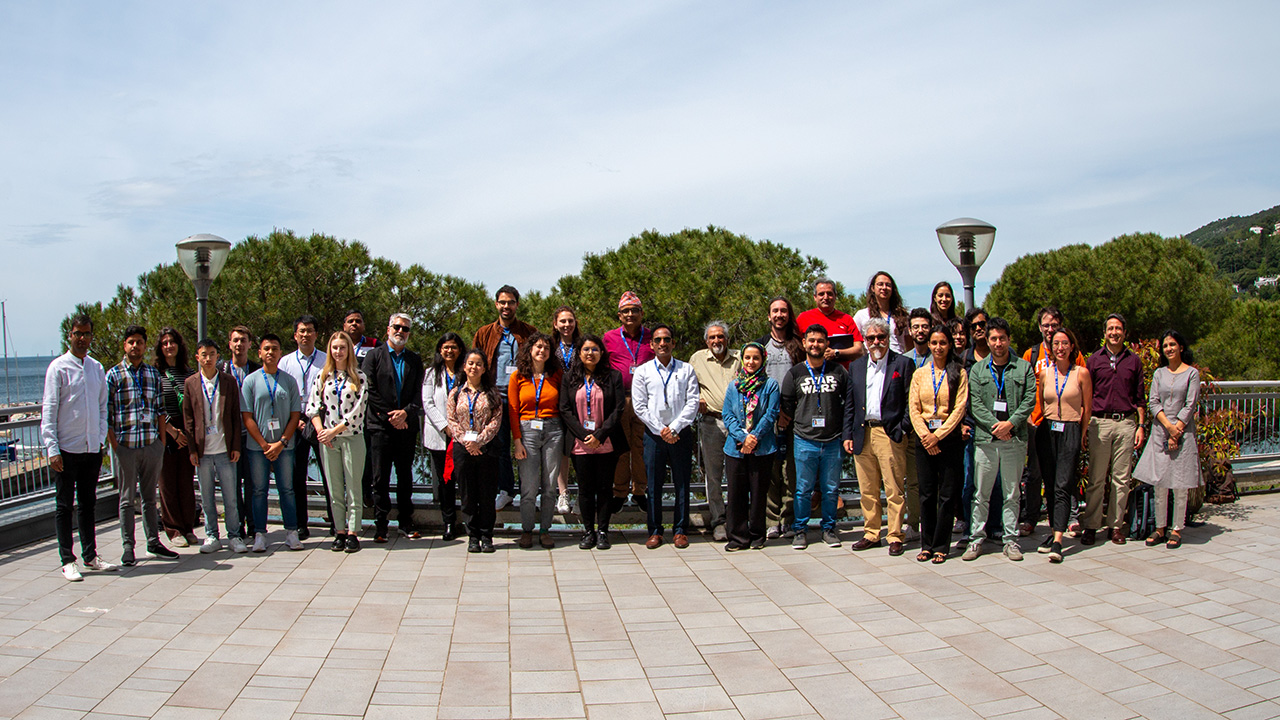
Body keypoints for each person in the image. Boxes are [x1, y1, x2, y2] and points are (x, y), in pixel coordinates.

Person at [43, 315, 117, 581]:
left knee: (88, 503)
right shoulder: (58, 368)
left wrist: (99, 441)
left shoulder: (96, 368)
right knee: (64, 505)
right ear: (70, 335)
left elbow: (101, 406)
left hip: (90, 449)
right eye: (78, 334)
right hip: (66, 449)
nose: (83, 339)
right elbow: (49, 410)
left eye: (87, 334)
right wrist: (52, 448)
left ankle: (90, 556)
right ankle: (67, 559)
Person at [962, 318, 1037, 562]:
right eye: (993, 338)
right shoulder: (977, 370)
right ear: (988, 340)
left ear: (1008, 340)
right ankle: (976, 539)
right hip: (986, 440)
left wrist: (1010, 424)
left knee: (1011, 493)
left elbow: (1029, 400)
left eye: (1002, 338)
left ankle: (1011, 540)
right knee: (980, 493)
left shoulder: (1024, 368)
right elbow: (975, 403)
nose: (997, 343)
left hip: (1014, 440)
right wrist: (997, 426)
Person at [105, 324, 176, 565]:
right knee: (126, 499)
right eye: (131, 342)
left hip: (150, 445)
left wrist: (161, 442)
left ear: (145, 346)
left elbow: (160, 410)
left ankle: (153, 542)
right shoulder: (113, 375)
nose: (135, 346)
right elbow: (107, 414)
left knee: (149, 497)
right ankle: (128, 546)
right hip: (126, 447)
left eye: (139, 342)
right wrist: (115, 446)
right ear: (124, 345)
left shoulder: (153, 375)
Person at [842, 318, 911, 556]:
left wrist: (902, 428)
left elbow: (910, 402)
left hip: (889, 433)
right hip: (863, 432)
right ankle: (871, 533)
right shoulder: (857, 366)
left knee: (894, 489)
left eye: (880, 337)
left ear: (887, 337)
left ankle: (895, 535)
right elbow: (850, 402)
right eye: (871, 338)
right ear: (865, 340)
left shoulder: (902, 364)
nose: (876, 342)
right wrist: (847, 433)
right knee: (867, 489)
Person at [1019, 306, 1086, 537]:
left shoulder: (1074, 355)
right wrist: (1028, 418)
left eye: (1054, 325)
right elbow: (1024, 388)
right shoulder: (1031, 354)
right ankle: (1031, 517)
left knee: (1066, 473)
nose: (1050, 330)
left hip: (1067, 424)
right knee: (1036, 473)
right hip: (1038, 425)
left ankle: (1071, 516)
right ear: (1039, 328)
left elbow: (1082, 390)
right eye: (1046, 325)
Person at [633, 324, 700, 549]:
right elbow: (639, 406)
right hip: (653, 435)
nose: (663, 343)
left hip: (680, 434)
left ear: (673, 343)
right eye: (658, 340)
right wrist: (660, 428)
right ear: (651, 344)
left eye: (667, 339)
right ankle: (655, 531)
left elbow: (693, 402)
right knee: (653, 485)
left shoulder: (686, 369)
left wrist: (675, 427)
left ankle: (680, 530)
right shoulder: (643, 371)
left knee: (682, 483)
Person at [781, 324, 849, 550]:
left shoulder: (838, 371)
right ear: (804, 343)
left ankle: (828, 528)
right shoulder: (796, 373)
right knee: (803, 489)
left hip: (832, 440)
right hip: (804, 439)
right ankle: (800, 530)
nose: (815, 345)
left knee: (830, 488)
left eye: (820, 341)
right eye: (811, 341)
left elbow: (849, 402)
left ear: (826, 344)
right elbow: (787, 404)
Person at [559, 335, 628, 550]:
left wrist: (599, 435)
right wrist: (583, 435)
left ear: (601, 352)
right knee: (585, 490)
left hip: (606, 442)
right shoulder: (569, 378)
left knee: (605, 488)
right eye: (586, 349)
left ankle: (603, 532)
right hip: (580, 444)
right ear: (579, 353)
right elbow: (565, 409)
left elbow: (618, 409)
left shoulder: (613, 377)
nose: (590, 353)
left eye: (595, 349)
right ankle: (588, 531)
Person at [1134, 331, 1201, 550]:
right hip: (1161, 430)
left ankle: (1176, 529)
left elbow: (1190, 404)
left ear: (1181, 347)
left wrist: (1177, 429)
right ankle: (1160, 527)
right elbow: (1153, 402)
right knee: (1160, 482)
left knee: (1180, 484)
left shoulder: (1192, 373)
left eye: (1173, 344)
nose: (1169, 348)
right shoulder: (1159, 373)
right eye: (1165, 346)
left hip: (1184, 432)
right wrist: (1169, 428)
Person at [472, 285, 537, 510]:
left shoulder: (529, 332)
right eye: (502, 302)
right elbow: (475, 364)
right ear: (496, 304)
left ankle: (530, 492)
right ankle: (506, 490)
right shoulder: (484, 333)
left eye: (511, 302)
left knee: (527, 445)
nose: (506, 306)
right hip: (495, 397)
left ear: (517, 304)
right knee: (499, 445)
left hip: (522, 398)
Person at [1084, 314, 1146, 545]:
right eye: (1110, 328)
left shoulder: (1134, 361)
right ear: (1105, 332)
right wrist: (1084, 427)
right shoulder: (1093, 361)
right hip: (1099, 423)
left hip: (1126, 423)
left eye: (1118, 328)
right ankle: (1091, 525)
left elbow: (1140, 398)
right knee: (1096, 478)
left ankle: (1115, 526)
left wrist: (1140, 426)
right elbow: (1086, 397)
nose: (1114, 332)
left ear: (1124, 333)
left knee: (1121, 479)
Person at [908, 325, 968, 563]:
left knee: (947, 494)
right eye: (934, 343)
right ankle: (927, 544)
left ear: (949, 345)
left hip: (948, 439)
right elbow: (913, 408)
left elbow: (959, 408)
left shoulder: (959, 373)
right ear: (929, 345)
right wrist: (926, 436)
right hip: (924, 439)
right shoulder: (919, 374)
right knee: (926, 493)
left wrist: (938, 436)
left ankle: (942, 546)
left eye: (943, 342)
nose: (938, 347)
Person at [362, 313, 425, 542]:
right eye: (397, 327)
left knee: (405, 476)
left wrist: (406, 412)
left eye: (405, 329)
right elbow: (368, 390)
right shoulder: (373, 356)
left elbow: (420, 392)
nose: (400, 331)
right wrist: (391, 415)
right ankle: (381, 524)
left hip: (406, 427)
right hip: (380, 426)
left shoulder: (414, 360)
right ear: (388, 329)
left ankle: (406, 522)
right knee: (380, 478)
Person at [307, 331, 369, 554]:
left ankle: (353, 532)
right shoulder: (322, 377)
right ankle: (339, 531)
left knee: (353, 487)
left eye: (343, 347)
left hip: (351, 437)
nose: (338, 351)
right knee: (333, 488)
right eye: (335, 348)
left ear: (349, 350)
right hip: (328, 441)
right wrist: (321, 431)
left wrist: (334, 431)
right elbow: (312, 408)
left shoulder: (359, 377)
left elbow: (358, 412)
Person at [240, 334, 303, 552]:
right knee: (259, 490)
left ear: (279, 353)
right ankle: (259, 534)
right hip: (258, 448)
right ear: (259, 352)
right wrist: (265, 444)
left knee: (287, 489)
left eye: (275, 349)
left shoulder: (289, 381)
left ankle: (292, 532)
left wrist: (281, 442)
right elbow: (247, 417)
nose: (270, 352)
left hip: (284, 447)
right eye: (266, 348)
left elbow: (295, 415)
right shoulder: (250, 381)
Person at [182, 339, 245, 554]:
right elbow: (188, 420)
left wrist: (235, 445)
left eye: (212, 354)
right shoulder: (190, 383)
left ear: (218, 356)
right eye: (204, 354)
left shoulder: (228, 382)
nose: (208, 358)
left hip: (225, 449)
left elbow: (236, 417)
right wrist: (192, 449)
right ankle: (211, 535)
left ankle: (235, 535)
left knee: (231, 496)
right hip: (203, 452)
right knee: (207, 497)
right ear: (197, 357)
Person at [1035, 328, 1092, 563]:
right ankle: (1053, 532)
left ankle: (1058, 540)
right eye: (1056, 343)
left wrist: (1082, 434)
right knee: (1049, 485)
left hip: (1070, 428)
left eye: (1064, 343)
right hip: (1047, 431)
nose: (1060, 347)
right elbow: (1041, 400)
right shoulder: (1046, 374)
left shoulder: (1082, 373)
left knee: (1062, 484)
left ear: (1071, 347)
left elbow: (1087, 408)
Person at [722, 342, 780, 551]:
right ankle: (738, 537)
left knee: (758, 493)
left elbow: (771, 414)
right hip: (735, 448)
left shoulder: (771, 385)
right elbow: (727, 415)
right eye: (747, 358)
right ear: (742, 360)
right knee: (736, 493)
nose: (751, 362)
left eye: (756, 358)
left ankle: (757, 535)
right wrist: (742, 438)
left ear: (762, 360)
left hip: (762, 447)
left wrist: (753, 437)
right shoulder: (733, 386)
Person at [446, 349, 504, 553]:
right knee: (468, 494)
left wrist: (478, 441)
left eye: (479, 364)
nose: (474, 367)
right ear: (464, 366)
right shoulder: (456, 393)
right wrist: (466, 442)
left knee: (487, 495)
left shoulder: (492, 393)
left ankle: (487, 535)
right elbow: (451, 421)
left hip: (486, 449)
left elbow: (496, 421)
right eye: (470, 363)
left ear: (484, 368)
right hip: (463, 450)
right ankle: (473, 536)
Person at [509, 333, 563, 549]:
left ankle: (545, 529)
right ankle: (527, 529)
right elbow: (513, 410)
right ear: (529, 350)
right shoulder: (518, 377)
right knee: (529, 486)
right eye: (538, 347)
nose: (542, 351)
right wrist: (517, 441)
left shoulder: (557, 374)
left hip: (553, 430)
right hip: (527, 430)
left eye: (546, 348)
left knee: (550, 485)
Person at [279, 315, 330, 540]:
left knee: (329, 472)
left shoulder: (326, 359)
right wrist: (295, 420)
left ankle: (335, 519)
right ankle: (301, 523)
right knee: (297, 475)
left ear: (316, 335)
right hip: (295, 419)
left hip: (320, 419)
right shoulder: (285, 362)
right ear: (295, 335)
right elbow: (280, 394)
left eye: (310, 330)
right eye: (301, 331)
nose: (305, 335)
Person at [602, 291, 654, 511]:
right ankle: (620, 491)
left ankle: (640, 490)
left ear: (641, 313)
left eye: (634, 310)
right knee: (621, 448)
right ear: (619, 315)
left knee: (641, 447)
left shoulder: (651, 336)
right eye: (626, 311)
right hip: (619, 399)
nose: (630, 314)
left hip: (645, 400)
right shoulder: (609, 338)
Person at [689, 320, 740, 542]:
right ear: (706, 341)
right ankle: (719, 520)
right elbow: (689, 385)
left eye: (720, 336)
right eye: (712, 337)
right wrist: (697, 396)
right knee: (714, 475)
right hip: (711, 423)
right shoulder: (697, 359)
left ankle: (738, 518)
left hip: (738, 424)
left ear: (727, 339)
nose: (716, 341)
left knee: (739, 473)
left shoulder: (740, 357)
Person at [758, 297, 804, 540]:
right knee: (771, 471)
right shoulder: (760, 346)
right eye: (775, 311)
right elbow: (756, 385)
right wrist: (775, 414)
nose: (779, 315)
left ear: (789, 315)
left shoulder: (799, 345)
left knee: (791, 471)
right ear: (769, 316)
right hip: (768, 418)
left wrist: (790, 412)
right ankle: (771, 521)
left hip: (796, 418)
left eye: (783, 311)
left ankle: (789, 520)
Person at [155, 327, 199, 547]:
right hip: (165, 433)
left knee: (186, 482)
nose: (168, 346)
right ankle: (173, 530)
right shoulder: (155, 373)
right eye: (164, 343)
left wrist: (188, 435)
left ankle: (188, 527)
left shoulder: (189, 373)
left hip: (187, 433)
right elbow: (153, 406)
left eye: (172, 342)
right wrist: (172, 432)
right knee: (167, 484)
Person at [422, 332, 467, 541]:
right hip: (439, 435)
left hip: (464, 436)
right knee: (444, 481)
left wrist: (458, 429)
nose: (450, 351)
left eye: (454, 347)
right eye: (446, 347)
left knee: (465, 480)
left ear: (460, 350)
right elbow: (428, 403)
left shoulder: (466, 372)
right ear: (440, 350)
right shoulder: (432, 373)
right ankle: (448, 522)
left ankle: (468, 520)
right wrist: (445, 426)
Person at [219, 325, 260, 540]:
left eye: (243, 340)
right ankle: (236, 528)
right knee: (232, 485)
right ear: (230, 344)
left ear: (250, 344)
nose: (239, 344)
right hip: (228, 438)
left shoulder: (257, 369)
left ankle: (253, 526)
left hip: (251, 436)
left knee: (252, 485)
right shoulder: (220, 370)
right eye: (235, 340)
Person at [551, 305, 581, 514]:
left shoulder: (582, 345)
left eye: (570, 321)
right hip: (555, 401)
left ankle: (583, 494)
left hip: (580, 401)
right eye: (562, 321)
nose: (566, 325)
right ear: (555, 324)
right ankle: (562, 493)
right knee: (561, 450)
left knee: (580, 449)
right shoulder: (549, 346)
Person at [795, 278, 863, 367]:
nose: (826, 297)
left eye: (829, 294)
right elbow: (795, 347)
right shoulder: (803, 318)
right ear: (815, 297)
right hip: (812, 374)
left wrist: (836, 353)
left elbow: (859, 350)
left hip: (841, 374)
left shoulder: (846, 319)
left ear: (835, 296)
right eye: (821, 294)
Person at [853, 271, 910, 353]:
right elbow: (855, 343)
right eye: (880, 284)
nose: (884, 287)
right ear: (873, 288)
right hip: (873, 361)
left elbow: (909, 345)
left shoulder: (902, 315)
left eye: (888, 285)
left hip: (897, 361)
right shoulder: (862, 315)